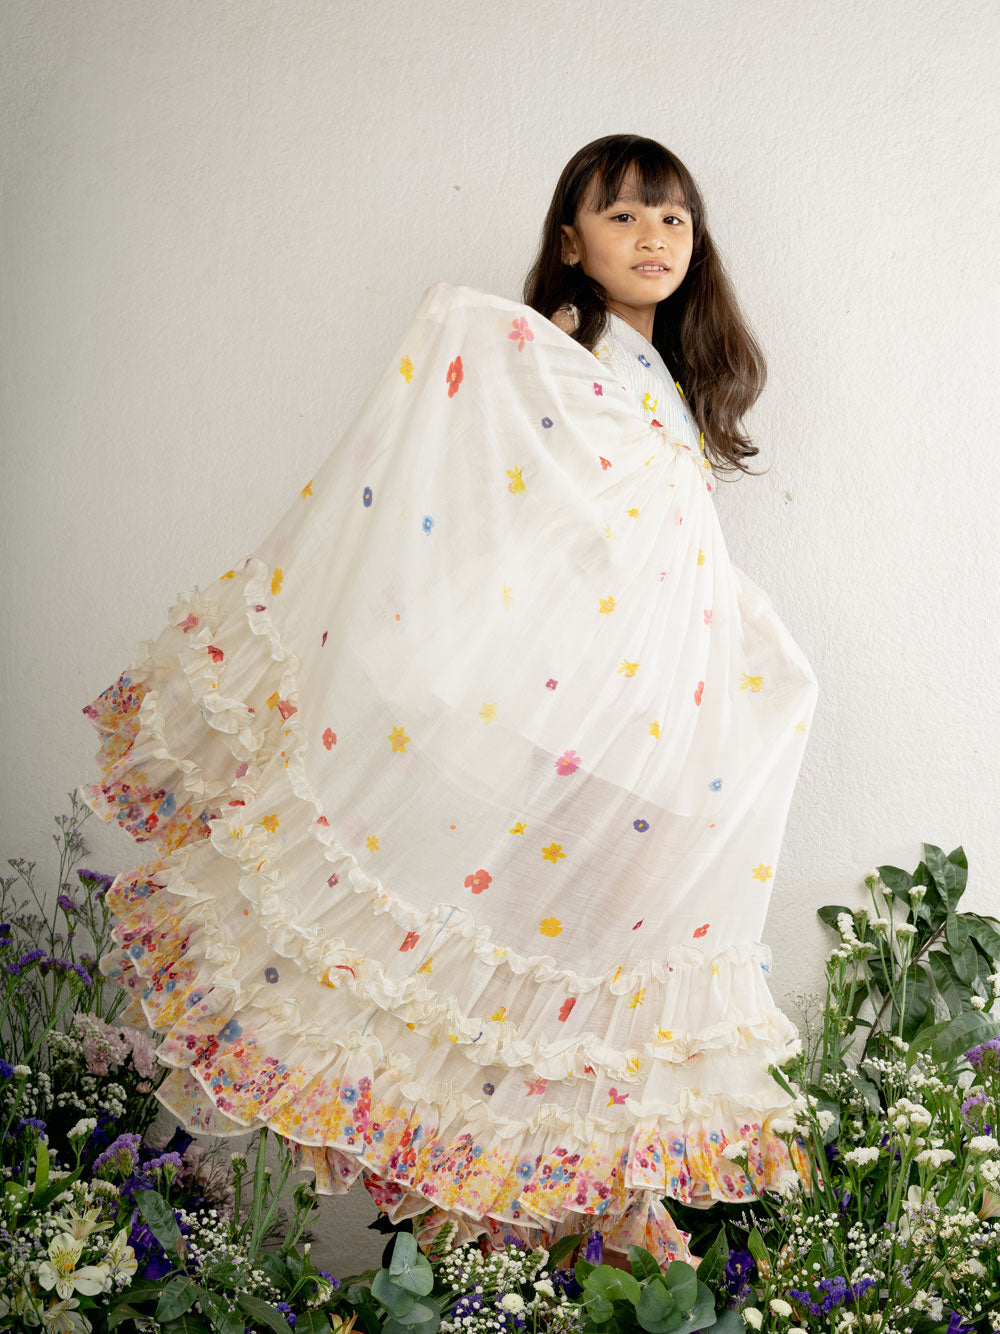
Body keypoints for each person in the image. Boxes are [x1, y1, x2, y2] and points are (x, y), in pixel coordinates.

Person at [79, 133, 819, 1272]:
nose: (652, 237)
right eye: (621, 215)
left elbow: (662, 552)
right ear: (569, 241)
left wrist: (758, 652)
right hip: (574, 724)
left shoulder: (664, 382)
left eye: (673, 218)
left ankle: (572, 1208)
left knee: (603, 974)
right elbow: (507, 456)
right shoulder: (563, 353)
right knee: (507, 960)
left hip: (649, 734)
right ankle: (496, 1205)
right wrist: (481, 328)